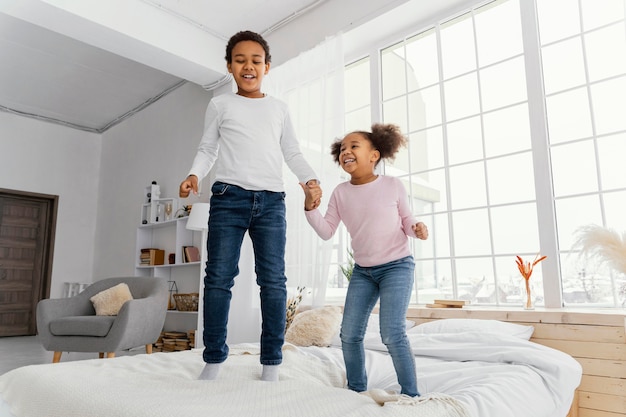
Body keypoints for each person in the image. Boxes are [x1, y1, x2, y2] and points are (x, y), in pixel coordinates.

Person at [180, 30, 320, 383]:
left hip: (272, 201)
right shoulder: (221, 105)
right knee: (218, 279)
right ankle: (213, 359)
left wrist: (311, 180)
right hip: (228, 197)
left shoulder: (279, 108)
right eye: (240, 60)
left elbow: (292, 151)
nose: (248, 66)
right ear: (229, 66)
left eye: (256, 60)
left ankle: (271, 362)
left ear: (267, 67)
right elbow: (207, 148)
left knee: (273, 281)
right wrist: (194, 175)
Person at [300, 123, 428, 397]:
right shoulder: (340, 192)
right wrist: (310, 206)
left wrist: (416, 228)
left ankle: (411, 395)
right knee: (349, 334)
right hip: (363, 273)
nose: (346, 151)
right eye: (342, 149)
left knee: (392, 333)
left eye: (354, 146)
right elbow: (326, 231)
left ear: (374, 155)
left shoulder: (392, 185)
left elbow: (406, 220)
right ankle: (356, 389)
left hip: (397, 267)